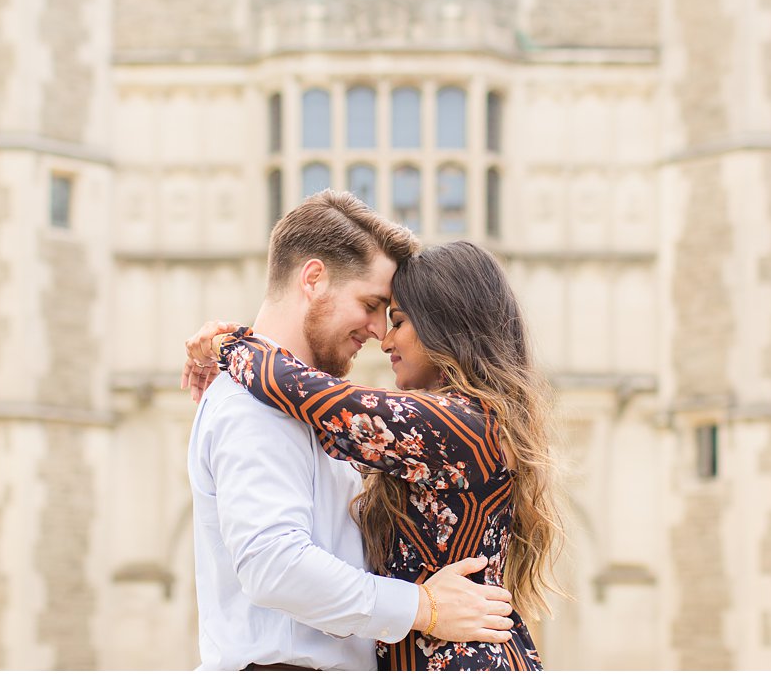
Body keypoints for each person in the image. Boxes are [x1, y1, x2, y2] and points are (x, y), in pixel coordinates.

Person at [186, 238, 565, 671]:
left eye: (399, 320)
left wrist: (227, 345)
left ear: (446, 326)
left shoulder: (460, 426)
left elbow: (309, 394)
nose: (384, 339)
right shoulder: (451, 428)